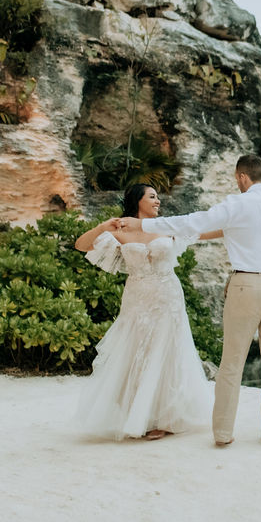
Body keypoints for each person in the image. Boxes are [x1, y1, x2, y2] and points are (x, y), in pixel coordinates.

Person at [117, 154, 261, 447]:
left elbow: (192, 223)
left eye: (236, 178)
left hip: (246, 283)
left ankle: (223, 433)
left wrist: (142, 226)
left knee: (232, 361)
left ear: (243, 177)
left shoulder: (236, 204)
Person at [74, 184, 222, 441]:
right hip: (137, 297)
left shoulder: (167, 227)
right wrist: (102, 228)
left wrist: (239, 224)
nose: (158, 202)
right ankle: (137, 413)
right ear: (138, 200)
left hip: (168, 296)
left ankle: (164, 418)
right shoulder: (120, 229)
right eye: (152, 197)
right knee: (136, 350)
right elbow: (81, 245)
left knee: (165, 352)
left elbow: (205, 231)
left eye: (158, 197)